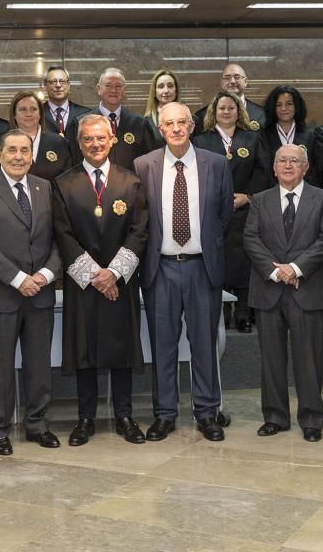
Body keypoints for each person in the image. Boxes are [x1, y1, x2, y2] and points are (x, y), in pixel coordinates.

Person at [134, 102, 234, 443]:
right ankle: (165, 414)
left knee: (204, 344)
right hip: (160, 269)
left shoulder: (216, 164)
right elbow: (141, 219)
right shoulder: (143, 165)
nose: (176, 128)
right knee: (163, 346)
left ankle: (207, 413)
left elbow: (223, 216)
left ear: (192, 126)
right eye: (168, 124)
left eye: (181, 122)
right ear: (160, 129)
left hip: (201, 268)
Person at [53, 114, 149, 446]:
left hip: (120, 283)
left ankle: (124, 415)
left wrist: (114, 274)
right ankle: (85, 419)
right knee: (85, 351)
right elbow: (62, 235)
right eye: (88, 139)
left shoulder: (130, 182)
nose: (95, 144)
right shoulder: (63, 183)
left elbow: (139, 232)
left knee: (120, 349)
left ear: (112, 140)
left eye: (101, 138)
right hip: (84, 284)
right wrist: (96, 276)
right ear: (79, 143)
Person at [0, 130, 62, 456]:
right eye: (12, 150)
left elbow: (58, 238)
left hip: (40, 292)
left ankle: (37, 424)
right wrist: (19, 278)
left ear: (32, 155)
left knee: (39, 365)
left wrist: (46, 275)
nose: (19, 156)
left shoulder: (44, 188)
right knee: (0, 367)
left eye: (25, 150)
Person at [243, 144, 323, 442]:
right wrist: (276, 272)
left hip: (305, 288)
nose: (287, 165)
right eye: (281, 160)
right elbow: (251, 238)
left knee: (308, 358)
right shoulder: (259, 200)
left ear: (305, 167)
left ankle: (311, 419)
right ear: (273, 167)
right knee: (271, 358)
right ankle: (275, 417)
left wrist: (295, 269)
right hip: (268, 288)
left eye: (294, 161)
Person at [192, 90, 272, 333]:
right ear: (213, 112)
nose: (226, 112)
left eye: (231, 108)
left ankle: (243, 312)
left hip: (246, 208)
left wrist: (247, 197)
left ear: (239, 112)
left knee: (246, 260)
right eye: (221, 108)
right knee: (220, 259)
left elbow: (264, 170)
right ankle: (223, 310)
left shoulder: (252, 138)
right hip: (214, 211)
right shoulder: (202, 139)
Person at [72, 68, 163, 171]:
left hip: (131, 184)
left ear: (124, 90)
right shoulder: (81, 123)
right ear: (99, 89)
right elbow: (75, 161)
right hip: (93, 184)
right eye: (108, 85)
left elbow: (149, 160)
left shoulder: (139, 123)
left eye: (118, 86)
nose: (113, 90)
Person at [0, 90, 71, 179]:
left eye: (33, 109)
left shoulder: (59, 143)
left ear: (40, 114)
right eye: (23, 109)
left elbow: (66, 181)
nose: (28, 114)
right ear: (14, 114)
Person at [263, 86, 315, 183]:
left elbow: (314, 170)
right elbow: (262, 170)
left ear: (297, 106)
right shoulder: (262, 135)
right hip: (271, 192)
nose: (284, 108)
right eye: (278, 105)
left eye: (289, 104)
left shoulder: (310, 135)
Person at [195, 63, 266, 130]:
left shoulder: (262, 114)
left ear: (245, 81)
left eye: (237, 77)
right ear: (222, 83)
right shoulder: (202, 116)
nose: (232, 81)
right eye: (227, 78)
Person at [42, 65, 90, 138]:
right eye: (52, 82)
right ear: (45, 86)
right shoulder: (37, 114)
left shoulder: (85, 114)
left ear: (69, 85)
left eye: (62, 81)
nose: (58, 85)